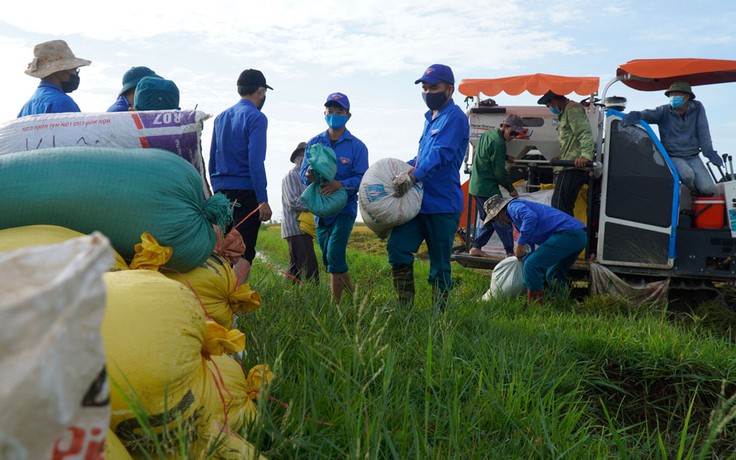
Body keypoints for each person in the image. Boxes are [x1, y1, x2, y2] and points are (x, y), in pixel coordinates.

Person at [388, 64, 470, 308]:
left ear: (449, 89)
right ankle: (405, 308)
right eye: (424, 87)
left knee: (440, 263)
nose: (427, 92)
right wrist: (401, 168)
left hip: (443, 205)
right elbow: (422, 157)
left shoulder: (454, 118)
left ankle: (439, 317)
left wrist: (413, 177)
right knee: (397, 247)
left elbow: (442, 154)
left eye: (433, 87)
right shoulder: (430, 118)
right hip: (418, 203)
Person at [300, 92, 369, 303]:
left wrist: (341, 184)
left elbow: (362, 178)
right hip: (321, 211)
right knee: (329, 259)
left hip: (344, 209)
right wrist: (310, 176)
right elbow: (303, 174)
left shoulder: (357, 146)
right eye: (330, 111)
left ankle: (335, 307)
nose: (334, 115)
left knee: (335, 253)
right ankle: (356, 298)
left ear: (348, 116)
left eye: (339, 111)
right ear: (324, 113)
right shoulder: (314, 142)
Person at [209, 68, 273, 283]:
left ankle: (215, 297)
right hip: (246, 192)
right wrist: (262, 199)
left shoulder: (221, 118)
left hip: (222, 191)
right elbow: (256, 161)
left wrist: (215, 191)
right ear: (261, 91)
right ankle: (234, 305)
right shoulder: (257, 117)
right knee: (244, 250)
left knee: (223, 248)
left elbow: (211, 159)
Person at [621, 81, 722, 196]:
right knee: (687, 174)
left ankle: (699, 194)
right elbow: (647, 114)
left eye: (676, 94)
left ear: (687, 96)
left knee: (709, 189)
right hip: (673, 156)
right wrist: (636, 115)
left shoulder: (697, 108)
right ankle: (694, 191)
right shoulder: (663, 111)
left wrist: (710, 153)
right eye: (671, 95)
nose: (673, 97)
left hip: (693, 156)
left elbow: (704, 133)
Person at [483, 194, 586, 304]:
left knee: (532, 265)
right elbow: (529, 244)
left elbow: (530, 217)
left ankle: (535, 307)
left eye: (496, 218)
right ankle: (562, 303)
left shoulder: (512, 206)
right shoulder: (516, 219)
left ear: (500, 211)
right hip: (579, 236)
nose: (500, 221)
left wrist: (520, 244)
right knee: (554, 272)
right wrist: (523, 257)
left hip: (567, 234)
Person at [468, 113, 523, 258]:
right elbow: (499, 173)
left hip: (476, 185)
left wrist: (504, 156)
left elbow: (486, 153)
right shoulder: (500, 144)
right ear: (504, 126)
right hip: (487, 187)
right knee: (502, 218)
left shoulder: (488, 135)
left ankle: (476, 248)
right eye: (513, 133)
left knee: (490, 219)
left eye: (517, 134)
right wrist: (511, 189)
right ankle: (510, 253)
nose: (514, 137)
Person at [537, 90, 595, 216]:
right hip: (567, 163)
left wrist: (585, 156)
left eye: (548, 105)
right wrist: (560, 157)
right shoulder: (564, 113)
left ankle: (567, 233)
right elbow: (570, 142)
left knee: (559, 205)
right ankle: (569, 232)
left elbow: (584, 133)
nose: (550, 108)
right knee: (563, 205)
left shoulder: (572, 109)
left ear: (554, 101)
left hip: (573, 166)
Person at [18, 39, 91, 117]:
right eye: (74, 70)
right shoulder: (63, 103)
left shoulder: (26, 107)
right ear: (60, 71)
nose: (76, 74)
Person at [281, 141, 319, 283]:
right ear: (296, 159)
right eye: (300, 156)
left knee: (296, 264)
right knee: (309, 265)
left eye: (306, 156)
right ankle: (313, 292)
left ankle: (288, 292)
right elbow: (293, 201)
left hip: (304, 227)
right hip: (295, 227)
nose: (303, 159)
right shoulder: (291, 176)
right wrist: (315, 205)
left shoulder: (307, 177)